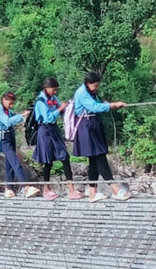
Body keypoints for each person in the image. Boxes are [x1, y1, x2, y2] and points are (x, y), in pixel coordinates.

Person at [73, 72, 131, 202]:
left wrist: (108, 104)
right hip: (87, 127)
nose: (96, 88)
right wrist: (112, 105)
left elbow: (97, 104)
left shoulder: (89, 92)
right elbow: (93, 107)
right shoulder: (82, 93)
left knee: (93, 160)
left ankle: (92, 193)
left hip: (92, 126)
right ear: (88, 84)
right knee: (100, 157)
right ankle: (115, 189)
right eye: (95, 86)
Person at [31, 77, 81, 201]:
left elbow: (61, 107)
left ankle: (71, 189)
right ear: (47, 88)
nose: (55, 92)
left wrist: (67, 106)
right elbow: (47, 118)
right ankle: (46, 189)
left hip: (54, 130)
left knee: (65, 157)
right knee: (48, 162)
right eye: (54, 90)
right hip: (45, 131)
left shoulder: (53, 99)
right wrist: (59, 109)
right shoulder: (40, 101)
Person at [0, 92, 33, 198]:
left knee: (9, 165)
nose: (11, 105)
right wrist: (22, 115)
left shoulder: (7, 111)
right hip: (4, 140)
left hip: (10, 138)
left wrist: (25, 114)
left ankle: (8, 188)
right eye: (10, 103)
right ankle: (26, 187)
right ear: (4, 100)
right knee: (15, 162)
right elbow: (8, 122)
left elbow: (14, 116)